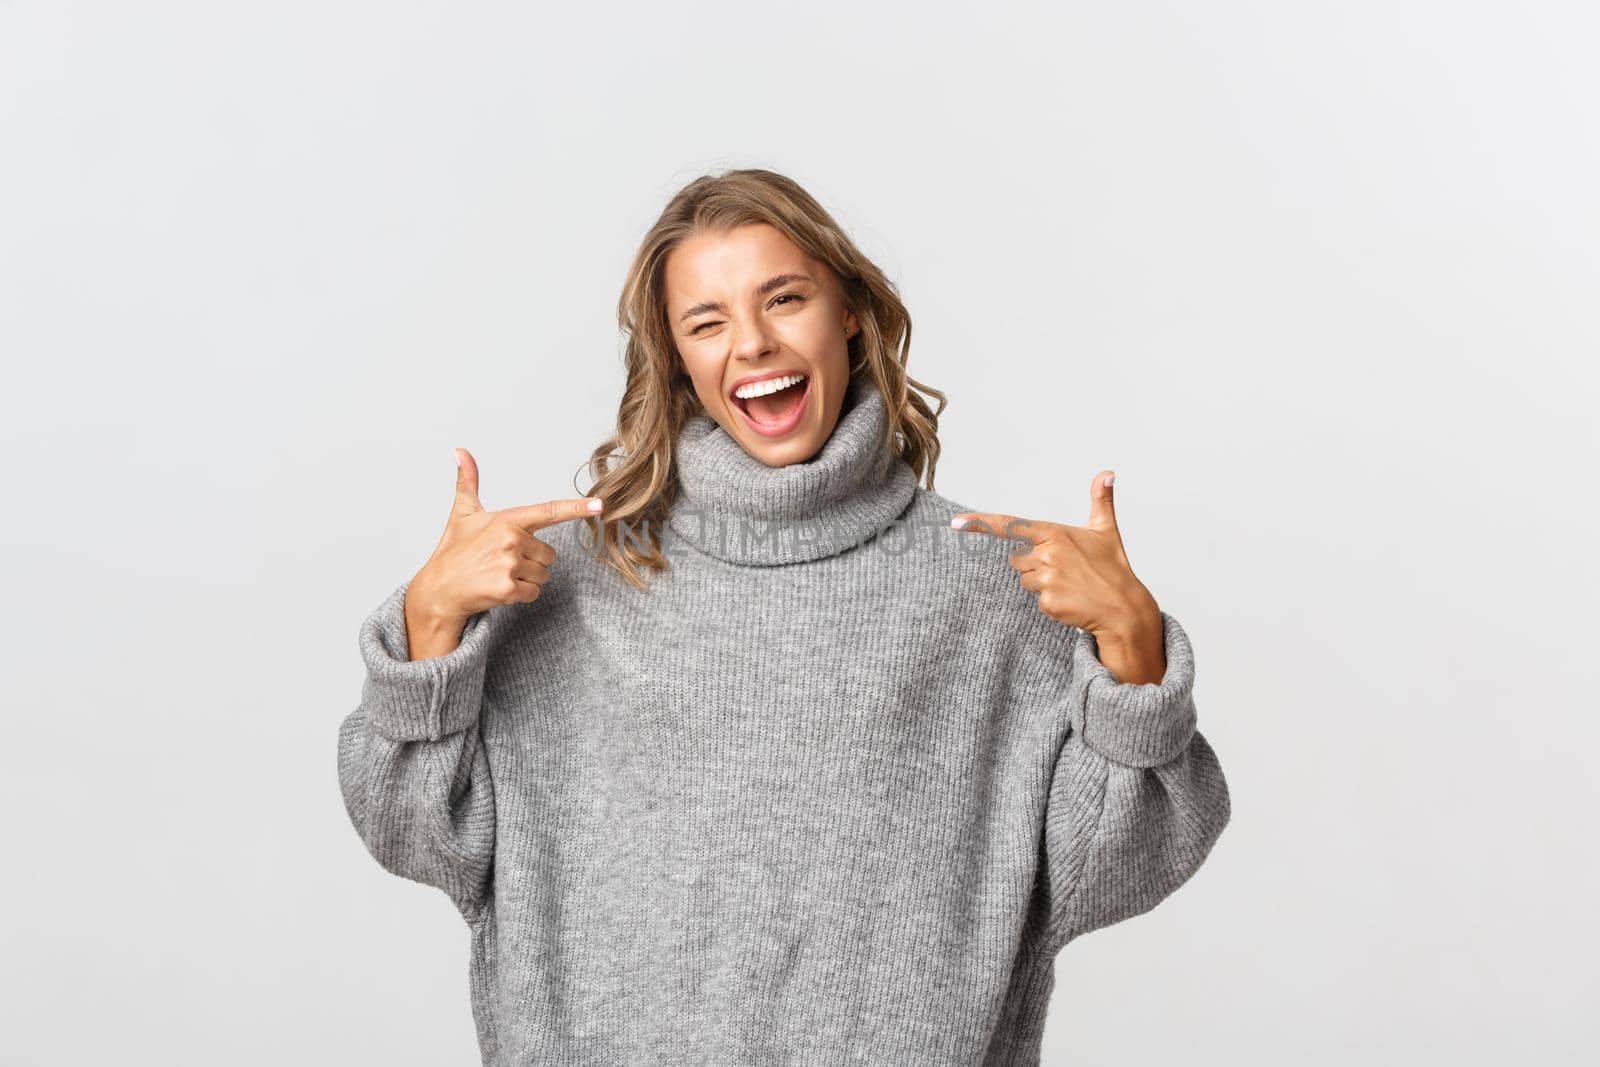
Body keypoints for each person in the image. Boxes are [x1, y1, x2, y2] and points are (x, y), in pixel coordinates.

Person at [335, 167, 1231, 1066]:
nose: (752, 343)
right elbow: (418, 835)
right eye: (708, 321)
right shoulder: (564, 585)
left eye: (784, 298)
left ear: (848, 309)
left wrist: (1134, 655)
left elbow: (1111, 872)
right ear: (675, 357)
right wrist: (428, 627)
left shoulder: (998, 594)